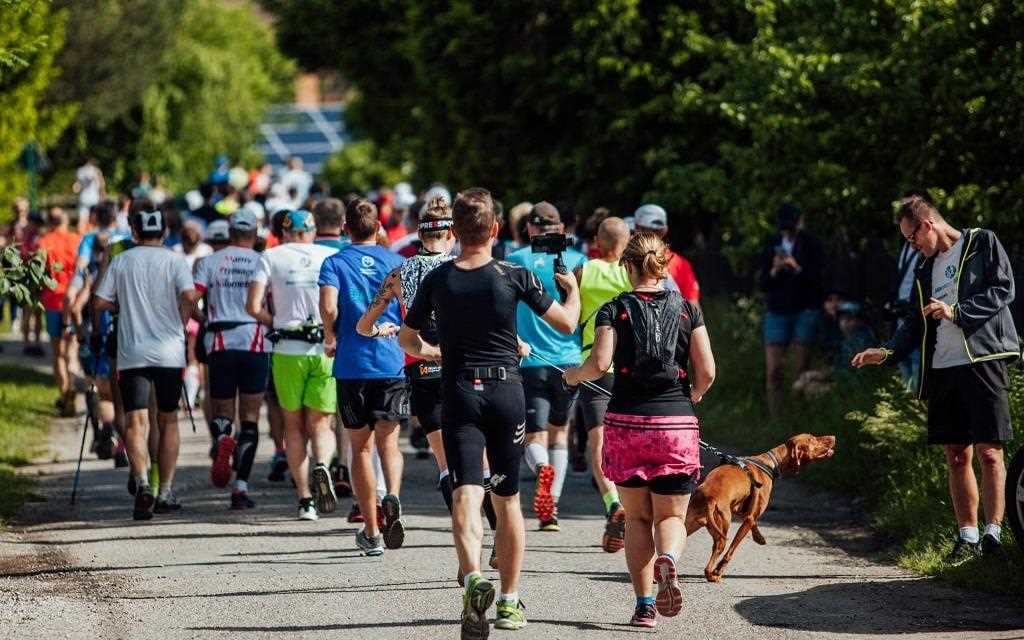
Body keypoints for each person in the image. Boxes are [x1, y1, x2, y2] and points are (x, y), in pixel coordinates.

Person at [400, 188, 580, 636]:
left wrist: (436, 354)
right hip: (506, 391)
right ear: (496, 229)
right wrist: (573, 292)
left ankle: (474, 577)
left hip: (459, 390)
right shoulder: (513, 274)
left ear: (455, 231)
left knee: (465, 492)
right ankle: (510, 600)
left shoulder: (437, 280)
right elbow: (567, 323)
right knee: (508, 499)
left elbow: (407, 341)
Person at [852, 194, 1019, 563]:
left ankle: (994, 535)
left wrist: (957, 311)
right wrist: (889, 351)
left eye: (913, 238)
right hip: (943, 368)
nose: (912, 245)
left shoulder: (982, 243)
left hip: (984, 359)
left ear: (928, 225)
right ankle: (967, 537)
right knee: (956, 454)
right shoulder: (925, 269)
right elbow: (917, 320)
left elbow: (1003, 289)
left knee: (990, 451)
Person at [564, 231, 715, 628]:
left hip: (628, 422)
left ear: (627, 267)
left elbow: (599, 363)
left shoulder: (614, 309)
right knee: (671, 517)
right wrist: (694, 395)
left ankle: (644, 604)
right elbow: (708, 371)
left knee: (636, 519)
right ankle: (670, 559)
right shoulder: (688, 310)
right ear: (664, 266)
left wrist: (573, 376)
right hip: (676, 424)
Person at [94, 204, 199, 520]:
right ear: (164, 233)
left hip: (132, 352)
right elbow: (190, 297)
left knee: (136, 422)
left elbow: (99, 301)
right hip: (169, 352)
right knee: (167, 420)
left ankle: (142, 484)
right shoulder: (175, 260)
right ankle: (165, 490)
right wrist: (181, 319)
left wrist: (122, 307)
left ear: (135, 233)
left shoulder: (121, 260)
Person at [356, 196, 455, 514]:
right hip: (462, 365)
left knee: (444, 462)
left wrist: (381, 331)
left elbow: (363, 326)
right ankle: (494, 535)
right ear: (450, 235)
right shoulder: (462, 268)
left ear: (419, 236)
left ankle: (464, 530)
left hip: (420, 366)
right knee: (476, 459)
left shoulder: (398, 274)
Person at [319, 198, 408, 556]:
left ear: (345, 228)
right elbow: (411, 308)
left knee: (361, 449)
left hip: (352, 364)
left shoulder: (334, 262)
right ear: (378, 228)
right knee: (390, 443)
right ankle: (394, 496)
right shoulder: (397, 262)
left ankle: (371, 530)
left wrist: (330, 335)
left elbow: (328, 305)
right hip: (390, 362)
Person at [247, 209, 339, 521]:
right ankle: (323, 464)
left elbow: (252, 306)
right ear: (312, 231)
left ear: (285, 232)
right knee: (322, 423)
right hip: (324, 348)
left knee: (293, 426)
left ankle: (305, 500)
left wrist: (276, 322)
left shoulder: (271, 257)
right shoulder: (329, 255)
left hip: (287, 348)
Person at [506, 201, 587, 532]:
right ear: (561, 229)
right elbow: (583, 312)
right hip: (569, 359)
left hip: (530, 360)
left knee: (533, 436)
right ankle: (550, 507)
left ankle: (540, 469)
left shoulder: (514, 261)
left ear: (528, 229)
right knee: (561, 433)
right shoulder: (580, 261)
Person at [194, 209, 268, 510]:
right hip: (254, 341)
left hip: (220, 342)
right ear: (255, 231)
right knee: (250, 417)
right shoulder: (264, 261)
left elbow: (189, 298)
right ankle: (240, 488)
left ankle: (223, 436)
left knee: (222, 408)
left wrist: (205, 318)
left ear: (229, 231)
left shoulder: (209, 261)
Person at [575, 216, 633, 552]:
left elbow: (570, 312)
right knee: (627, 440)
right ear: (627, 241)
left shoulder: (585, 270)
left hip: (594, 364)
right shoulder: (634, 272)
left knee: (597, 441)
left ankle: (613, 503)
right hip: (629, 365)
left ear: (598, 240)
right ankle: (636, 509)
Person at [758, 202, 824, 416]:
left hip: (804, 309)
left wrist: (797, 268)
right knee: (773, 369)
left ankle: (799, 414)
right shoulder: (771, 244)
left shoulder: (811, 244)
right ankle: (775, 417)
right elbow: (763, 283)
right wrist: (775, 270)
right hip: (777, 310)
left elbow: (818, 280)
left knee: (800, 366)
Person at [36, 207, 81, 416]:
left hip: (53, 300)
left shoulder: (44, 242)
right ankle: (73, 382)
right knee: (72, 348)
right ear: (65, 221)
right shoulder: (77, 240)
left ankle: (65, 395)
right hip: (75, 301)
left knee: (57, 352)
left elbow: (38, 271)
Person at [633, 204, 699, 304]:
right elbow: (693, 307)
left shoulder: (621, 259)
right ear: (665, 231)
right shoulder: (681, 264)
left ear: (636, 229)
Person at [73, 158, 105, 223]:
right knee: (94, 220)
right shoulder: (95, 170)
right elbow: (101, 184)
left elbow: (77, 186)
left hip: (83, 197)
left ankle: (82, 232)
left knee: (82, 219)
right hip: (94, 198)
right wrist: (102, 194)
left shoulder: (79, 171)